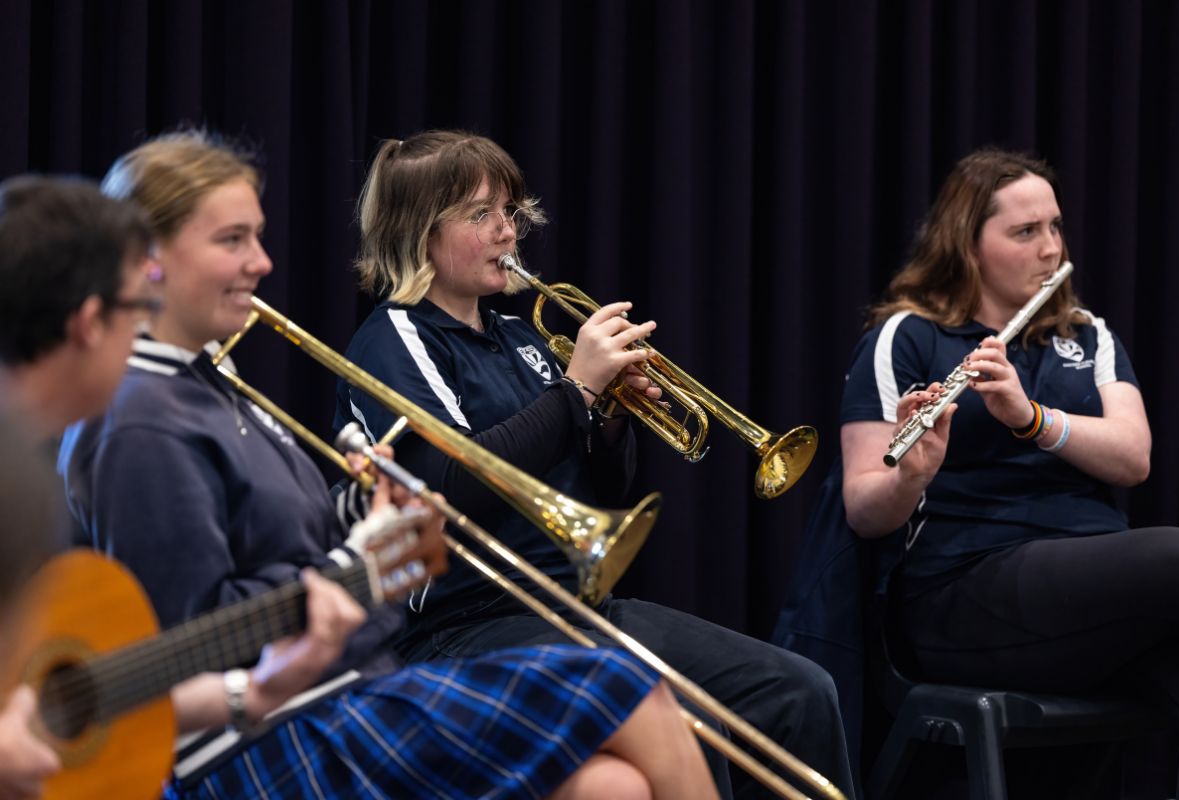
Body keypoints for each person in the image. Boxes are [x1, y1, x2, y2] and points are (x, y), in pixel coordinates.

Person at [60, 131, 718, 800]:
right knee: (623, 685)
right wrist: (355, 579)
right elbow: (198, 636)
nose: (262, 262)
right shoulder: (142, 416)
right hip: (262, 739)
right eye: (232, 241)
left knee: (610, 787)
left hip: (337, 688)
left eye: (257, 237)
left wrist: (364, 512)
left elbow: (278, 549)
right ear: (146, 258)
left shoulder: (207, 383)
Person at [333, 130, 855, 799]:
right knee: (688, 716)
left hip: (576, 604)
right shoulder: (391, 340)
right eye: (481, 215)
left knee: (801, 691)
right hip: (465, 627)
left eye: (511, 212)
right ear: (418, 233)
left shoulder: (520, 335)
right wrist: (576, 391)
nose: (507, 231)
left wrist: (610, 418)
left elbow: (603, 490)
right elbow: (451, 488)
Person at [786, 148, 1179, 797]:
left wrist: (1028, 416)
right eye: (1025, 231)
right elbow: (866, 508)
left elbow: (1133, 456)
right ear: (967, 244)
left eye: (1055, 227)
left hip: (1095, 592)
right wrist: (912, 473)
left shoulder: (1089, 337)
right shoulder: (908, 336)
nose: (1049, 248)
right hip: (963, 591)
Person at [0, 176, 367, 800]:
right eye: (138, 312)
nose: (145, 342)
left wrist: (251, 691)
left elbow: (110, 685)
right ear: (92, 323)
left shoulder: (26, 470)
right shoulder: (27, 479)